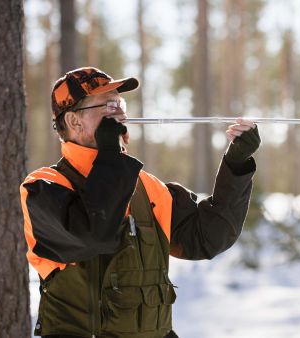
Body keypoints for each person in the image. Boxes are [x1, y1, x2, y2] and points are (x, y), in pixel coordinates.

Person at [19, 67, 260, 338]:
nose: (121, 113)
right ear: (75, 121)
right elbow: (92, 235)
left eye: (120, 104)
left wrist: (236, 164)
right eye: (108, 105)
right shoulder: (43, 188)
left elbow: (208, 237)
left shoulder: (147, 185)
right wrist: (110, 152)